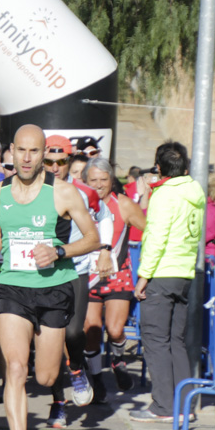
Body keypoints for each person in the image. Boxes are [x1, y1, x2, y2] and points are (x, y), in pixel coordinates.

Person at [0, 124, 100, 430]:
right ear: (11, 152)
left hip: (54, 289)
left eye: (35, 152)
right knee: (14, 367)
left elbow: (92, 238)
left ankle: (68, 369)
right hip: (13, 286)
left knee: (45, 376)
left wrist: (59, 250)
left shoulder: (64, 193)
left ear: (43, 152)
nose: (27, 159)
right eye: (22, 152)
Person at [40, 135, 113, 428]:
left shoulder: (83, 192)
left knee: (72, 333)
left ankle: (77, 367)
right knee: (50, 343)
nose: (55, 167)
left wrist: (105, 250)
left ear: (69, 162)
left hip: (76, 269)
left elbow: (105, 217)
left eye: (61, 162)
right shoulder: (28, 190)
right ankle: (58, 403)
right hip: (41, 274)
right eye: (49, 161)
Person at [130, 141, 205, 423]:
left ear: (159, 167)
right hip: (184, 273)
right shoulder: (194, 193)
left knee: (156, 341)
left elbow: (156, 239)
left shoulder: (164, 195)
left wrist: (143, 277)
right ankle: (184, 406)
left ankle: (162, 405)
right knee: (176, 341)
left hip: (161, 273)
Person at [83, 157, 147, 402]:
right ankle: (97, 378)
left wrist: (146, 272)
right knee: (91, 330)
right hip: (88, 276)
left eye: (103, 180)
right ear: (85, 181)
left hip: (117, 275)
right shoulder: (79, 203)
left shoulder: (124, 205)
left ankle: (118, 358)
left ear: (111, 180)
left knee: (115, 328)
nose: (99, 185)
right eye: (93, 180)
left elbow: (149, 231)